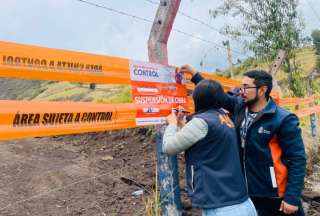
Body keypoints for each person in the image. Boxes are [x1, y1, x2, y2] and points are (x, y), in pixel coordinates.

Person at [180, 65, 306, 216]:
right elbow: (217, 95)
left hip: (275, 195)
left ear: (262, 90)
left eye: (246, 87)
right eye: (241, 87)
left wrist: (292, 197)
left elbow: (297, 159)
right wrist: (195, 75)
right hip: (247, 191)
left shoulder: (283, 119)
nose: (241, 91)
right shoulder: (240, 106)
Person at [163, 79, 257, 216]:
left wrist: (172, 124)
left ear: (198, 99)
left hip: (221, 205)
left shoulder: (201, 122)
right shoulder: (224, 117)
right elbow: (205, 143)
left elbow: (169, 147)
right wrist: (183, 125)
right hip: (240, 200)